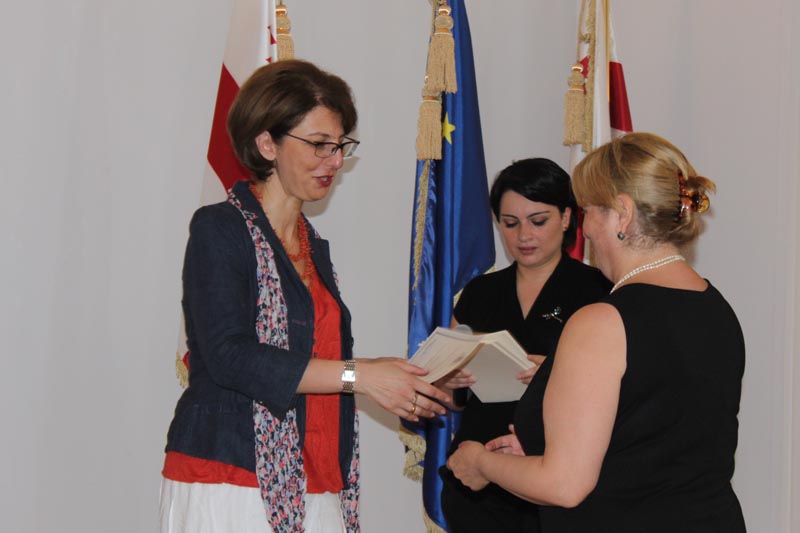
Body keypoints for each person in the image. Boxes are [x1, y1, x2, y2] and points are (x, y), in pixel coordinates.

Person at [159, 59, 450, 533]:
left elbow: (315, 358)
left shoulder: (313, 246)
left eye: (340, 146)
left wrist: (396, 376)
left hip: (316, 474)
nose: (334, 161)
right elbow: (229, 356)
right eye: (318, 144)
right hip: (229, 473)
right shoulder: (220, 228)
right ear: (267, 144)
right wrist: (360, 376)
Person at [446, 132, 746, 532]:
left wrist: (481, 462)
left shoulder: (601, 321)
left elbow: (564, 485)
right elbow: (652, 439)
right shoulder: (716, 306)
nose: (584, 229)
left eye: (587, 210)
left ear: (621, 214)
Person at [437, 158, 610, 532]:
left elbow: (621, 391)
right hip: (477, 479)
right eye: (510, 223)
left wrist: (556, 374)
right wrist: (450, 382)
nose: (523, 236)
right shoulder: (480, 292)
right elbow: (452, 398)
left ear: (567, 218)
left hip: (553, 479)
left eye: (538, 221)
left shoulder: (597, 290)